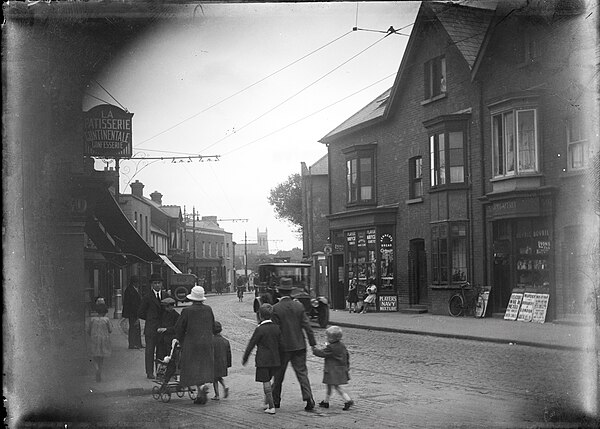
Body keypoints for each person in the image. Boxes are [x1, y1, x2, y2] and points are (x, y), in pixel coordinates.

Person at [271, 277, 317, 411]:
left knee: (278, 375)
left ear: (279, 292)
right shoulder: (299, 306)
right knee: (302, 373)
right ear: (291, 291)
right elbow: (307, 326)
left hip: (283, 348)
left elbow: (276, 331)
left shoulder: (276, 308)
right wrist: (313, 344)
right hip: (299, 345)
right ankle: (308, 398)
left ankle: (276, 400)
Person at [175, 285, 215, 405]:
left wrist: (181, 340)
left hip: (192, 344)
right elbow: (213, 326)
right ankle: (200, 393)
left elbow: (179, 328)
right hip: (206, 343)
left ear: (192, 299)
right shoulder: (208, 309)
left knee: (192, 368)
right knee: (203, 367)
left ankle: (201, 388)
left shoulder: (187, 311)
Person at [242, 304, 281, 415]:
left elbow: (251, 344)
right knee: (270, 381)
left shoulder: (260, 329)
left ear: (260, 315)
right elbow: (280, 343)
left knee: (266, 382)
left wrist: (245, 357)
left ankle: (271, 407)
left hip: (263, 360)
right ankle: (267, 402)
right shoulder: (276, 327)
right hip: (275, 359)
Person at [312, 325, 354, 410]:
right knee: (329, 385)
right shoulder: (341, 345)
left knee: (335, 386)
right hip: (340, 369)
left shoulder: (331, 347)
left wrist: (314, 349)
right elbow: (347, 355)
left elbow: (322, 353)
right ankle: (326, 401)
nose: (327, 338)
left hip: (332, 370)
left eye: (328, 337)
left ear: (332, 339)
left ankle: (347, 400)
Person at [138, 273, 167, 379]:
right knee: (150, 351)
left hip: (162, 329)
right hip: (151, 329)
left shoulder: (165, 296)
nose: (157, 285)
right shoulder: (147, 297)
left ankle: (160, 372)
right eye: (155, 283)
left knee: (161, 351)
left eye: (159, 283)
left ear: (162, 284)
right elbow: (140, 312)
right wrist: (150, 318)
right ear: (151, 285)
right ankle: (149, 372)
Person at [88, 302, 112, 382]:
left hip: (94, 339)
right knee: (101, 357)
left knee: (94, 356)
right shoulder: (106, 320)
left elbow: (89, 330)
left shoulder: (92, 319)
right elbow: (110, 330)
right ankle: (100, 371)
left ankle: (96, 369)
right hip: (103, 340)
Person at [212, 321, 231, 400]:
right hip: (223, 362)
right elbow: (229, 353)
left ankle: (217, 395)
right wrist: (228, 364)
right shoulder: (226, 341)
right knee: (218, 377)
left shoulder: (211, 341)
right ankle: (225, 386)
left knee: (214, 379)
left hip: (214, 362)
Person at [122, 275, 143, 349]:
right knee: (134, 328)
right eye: (137, 282)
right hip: (133, 312)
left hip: (134, 312)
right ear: (134, 282)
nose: (138, 284)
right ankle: (133, 344)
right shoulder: (130, 290)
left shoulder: (132, 289)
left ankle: (137, 343)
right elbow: (132, 304)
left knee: (136, 328)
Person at [156, 297, 179, 361]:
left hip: (170, 340)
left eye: (167, 307)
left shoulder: (176, 316)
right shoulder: (163, 314)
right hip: (161, 340)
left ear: (171, 306)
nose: (165, 308)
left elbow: (177, 328)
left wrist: (166, 329)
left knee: (169, 359)